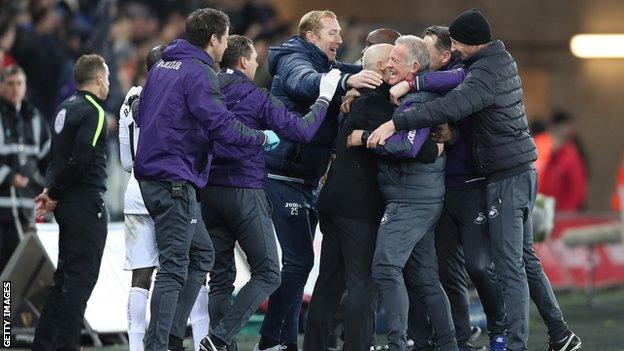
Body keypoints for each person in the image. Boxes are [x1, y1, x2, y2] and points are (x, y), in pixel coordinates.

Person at [368, 9, 581, 351]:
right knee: (523, 259)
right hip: (515, 173)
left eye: (454, 43)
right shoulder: (492, 62)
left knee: (507, 265)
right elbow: (452, 83)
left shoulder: (483, 74)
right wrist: (414, 81)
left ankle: (514, 344)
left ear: (468, 42)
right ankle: (559, 332)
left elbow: (452, 104)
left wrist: (396, 124)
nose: (452, 50)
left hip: (505, 178)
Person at [134, 8, 271, 351]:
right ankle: (159, 346)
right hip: (174, 179)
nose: (227, 45)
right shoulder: (198, 72)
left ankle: (170, 337)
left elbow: (141, 109)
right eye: (226, 37)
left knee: (201, 255)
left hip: (157, 174)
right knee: (174, 266)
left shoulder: (164, 65)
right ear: (214, 39)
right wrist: (261, 137)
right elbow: (220, 124)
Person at [198, 35, 341, 351]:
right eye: (254, 59)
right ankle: (219, 339)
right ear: (244, 61)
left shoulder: (205, 89)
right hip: (245, 191)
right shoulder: (255, 96)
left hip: (208, 192)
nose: (259, 64)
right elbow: (301, 130)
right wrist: (325, 98)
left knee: (220, 279)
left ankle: (222, 345)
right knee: (269, 274)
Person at [256, 10, 383, 351]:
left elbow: (351, 72)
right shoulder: (293, 59)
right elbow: (305, 81)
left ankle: (280, 340)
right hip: (281, 176)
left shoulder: (328, 66)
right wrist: (345, 83)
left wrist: (384, 71)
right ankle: (272, 341)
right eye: (332, 33)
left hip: (305, 180)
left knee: (301, 263)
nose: (339, 40)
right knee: (297, 261)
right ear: (312, 36)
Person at [391, 26, 508, 351]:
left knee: (479, 265)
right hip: (441, 190)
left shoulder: (462, 77)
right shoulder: (433, 86)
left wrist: (413, 82)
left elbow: (470, 125)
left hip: (472, 187)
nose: (422, 59)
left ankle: (500, 328)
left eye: (427, 52)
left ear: (446, 55)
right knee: (445, 270)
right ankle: (456, 338)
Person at [352, 35, 456, 351]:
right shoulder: (413, 98)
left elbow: (406, 146)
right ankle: (449, 344)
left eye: (396, 59)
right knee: (424, 278)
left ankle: (399, 343)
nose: (388, 64)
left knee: (385, 266)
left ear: (413, 66)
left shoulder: (418, 101)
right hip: (419, 196)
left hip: (411, 199)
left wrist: (365, 137)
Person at [118, 45, 211, 351]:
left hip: (136, 189)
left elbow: (124, 159)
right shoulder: (169, 96)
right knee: (183, 265)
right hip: (168, 184)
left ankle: (136, 347)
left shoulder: (128, 100)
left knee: (141, 276)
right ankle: (196, 340)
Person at [31, 54, 110, 351]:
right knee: (80, 281)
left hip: (66, 204)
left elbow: (56, 159)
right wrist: (54, 192)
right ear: (99, 79)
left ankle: (42, 345)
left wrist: (52, 191)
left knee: (63, 277)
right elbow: (81, 160)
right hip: (86, 203)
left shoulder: (64, 108)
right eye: (108, 78)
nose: (109, 84)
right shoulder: (94, 111)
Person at [0, 65, 50, 273]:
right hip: (3, 207)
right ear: (2, 86)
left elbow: (48, 158)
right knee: (8, 267)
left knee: (19, 268)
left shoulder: (35, 118)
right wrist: (9, 176)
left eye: (19, 83)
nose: (15, 88)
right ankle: (6, 305)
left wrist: (48, 187)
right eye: (10, 84)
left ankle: (8, 305)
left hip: (27, 207)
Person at [536, 112, 588, 211]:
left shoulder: (571, 155)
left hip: (560, 213)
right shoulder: (539, 145)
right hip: (536, 210)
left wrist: (567, 213)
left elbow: (577, 189)